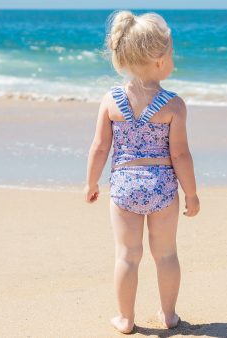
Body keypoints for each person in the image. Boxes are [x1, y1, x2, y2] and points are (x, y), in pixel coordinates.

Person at [84, 9, 200, 334]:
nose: (174, 58)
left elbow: (99, 147)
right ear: (160, 61)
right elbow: (180, 154)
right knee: (165, 255)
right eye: (172, 52)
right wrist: (191, 193)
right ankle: (169, 315)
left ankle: (125, 319)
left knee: (127, 257)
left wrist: (92, 181)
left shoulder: (110, 100)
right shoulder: (173, 105)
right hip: (162, 188)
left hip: (123, 187)